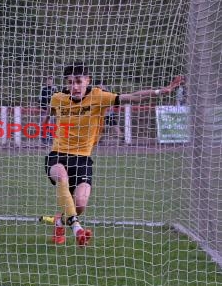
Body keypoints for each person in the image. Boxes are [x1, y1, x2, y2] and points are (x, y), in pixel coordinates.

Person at [41, 62, 182, 246]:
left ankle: (60, 222)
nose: (74, 86)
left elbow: (132, 97)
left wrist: (160, 92)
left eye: (78, 81)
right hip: (57, 154)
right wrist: (44, 125)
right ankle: (77, 229)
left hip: (82, 159)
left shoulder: (98, 96)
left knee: (80, 205)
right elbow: (49, 113)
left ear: (87, 80)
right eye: (70, 82)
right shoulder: (58, 98)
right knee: (61, 176)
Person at [39, 76, 57, 145]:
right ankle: (43, 140)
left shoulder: (54, 89)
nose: (49, 82)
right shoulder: (43, 89)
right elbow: (40, 100)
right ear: (46, 81)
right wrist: (42, 106)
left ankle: (51, 140)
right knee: (44, 124)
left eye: (51, 80)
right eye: (48, 80)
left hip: (52, 110)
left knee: (52, 125)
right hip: (44, 110)